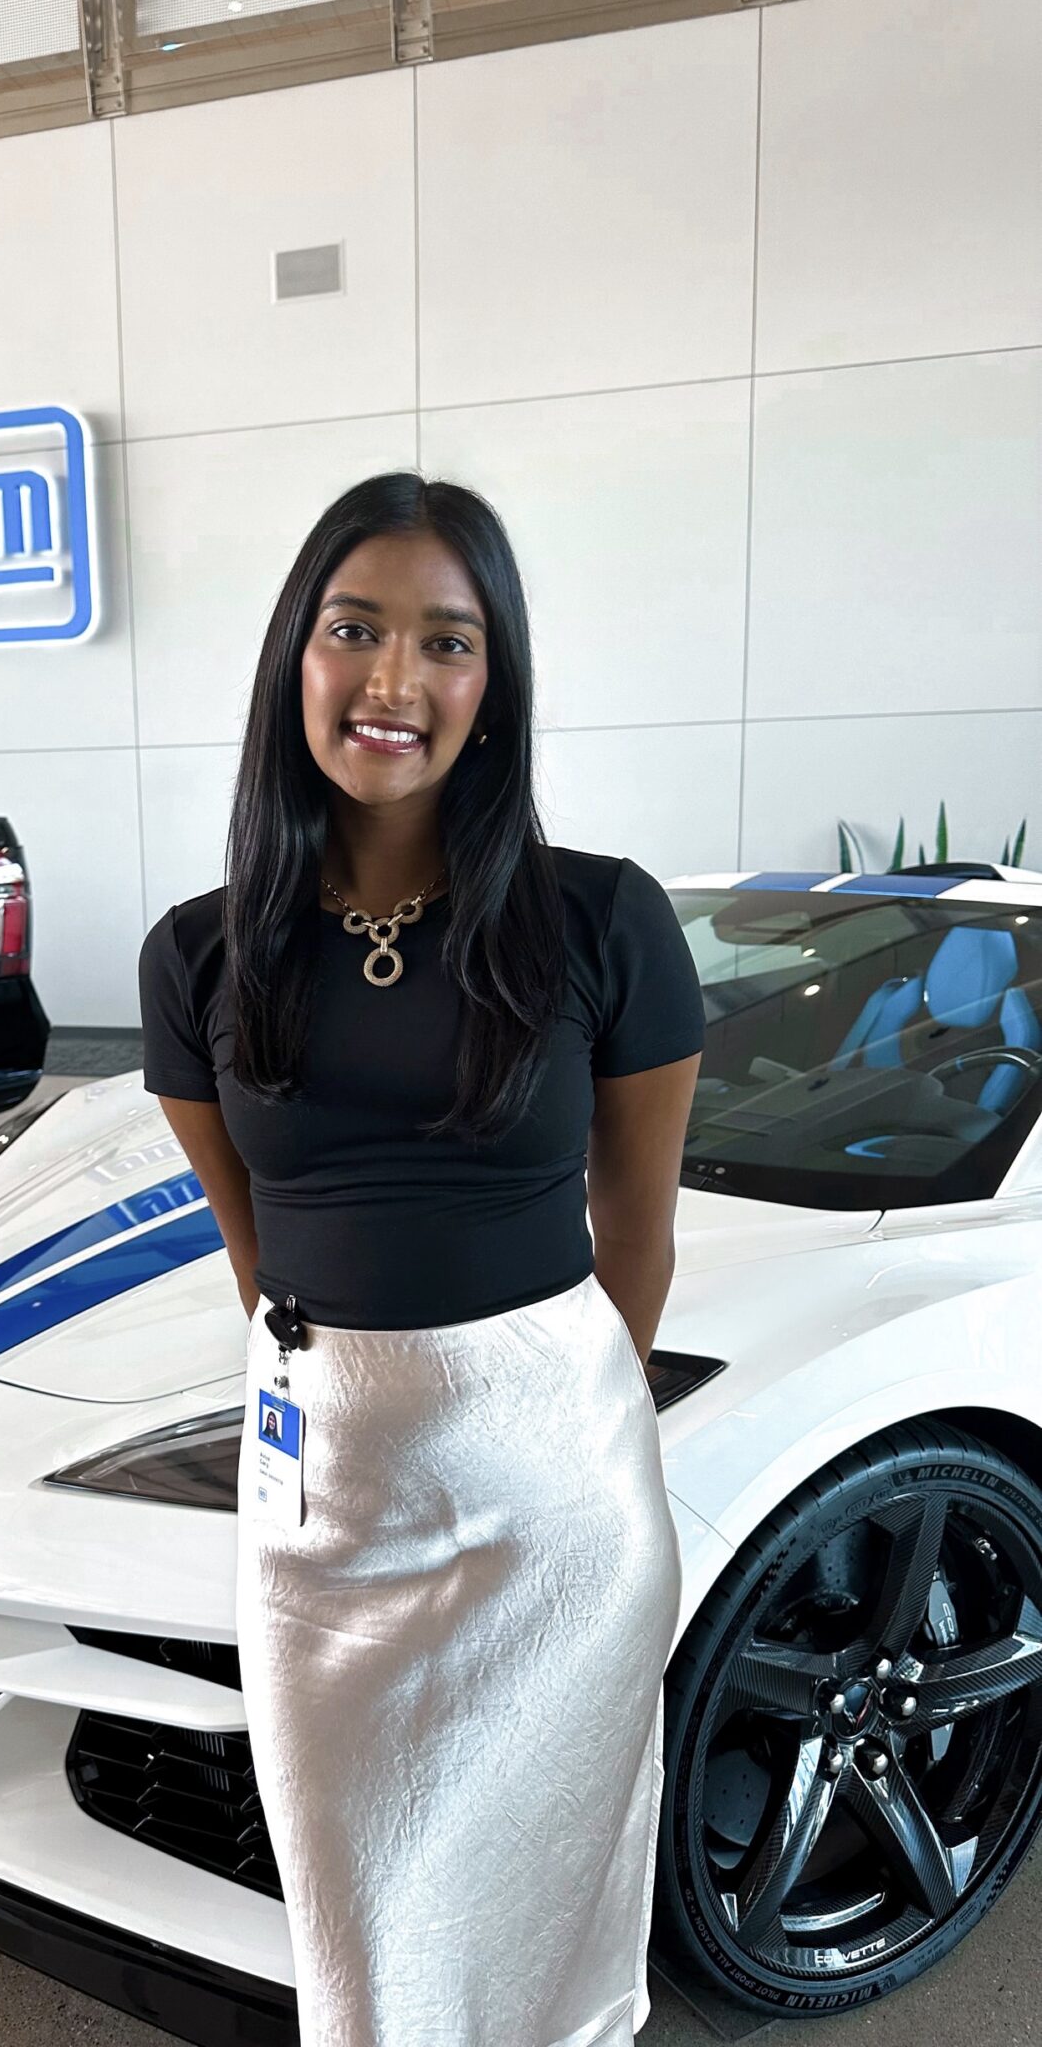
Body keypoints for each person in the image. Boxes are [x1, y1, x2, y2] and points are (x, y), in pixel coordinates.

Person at [136, 471, 704, 2047]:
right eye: (354, 630)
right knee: (355, 1910)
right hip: (320, 1486)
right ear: (293, 660)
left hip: (554, 1492)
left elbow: (637, 1236)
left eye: (446, 644)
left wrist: (542, 1410)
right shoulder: (200, 950)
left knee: (541, 1898)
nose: (394, 682)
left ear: (491, 686)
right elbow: (250, 1242)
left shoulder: (602, 922)